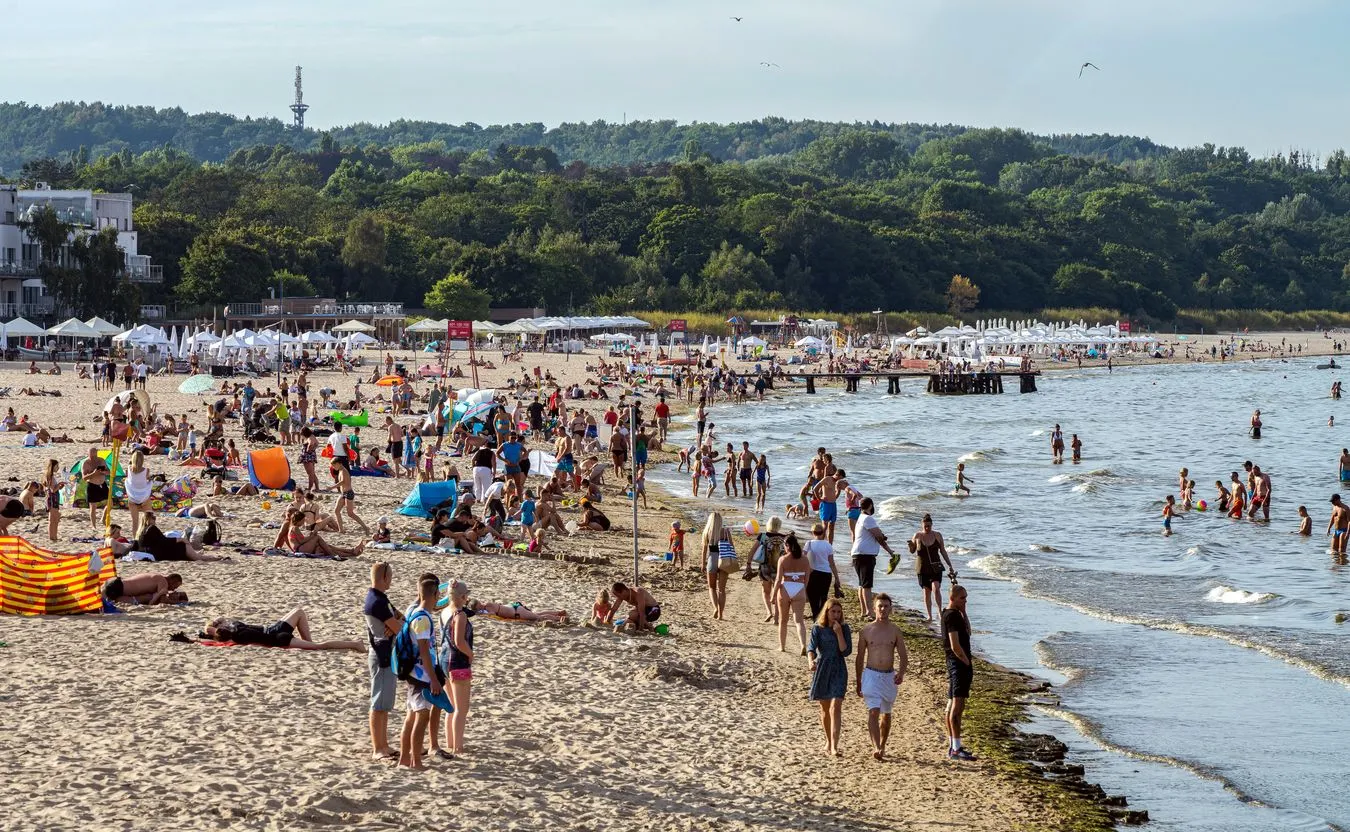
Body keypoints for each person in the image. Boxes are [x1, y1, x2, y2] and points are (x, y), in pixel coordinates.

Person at [854, 594, 908, 761]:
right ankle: (876, 746)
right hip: (871, 674)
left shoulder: (895, 630)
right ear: (874, 608)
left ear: (890, 608)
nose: (883, 609)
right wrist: (858, 681)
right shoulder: (866, 630)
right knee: (873, 711)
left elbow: (903, 656)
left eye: (886, 606)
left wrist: (901, 672)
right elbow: (859, 657)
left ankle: (882, 745)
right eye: (880, 606)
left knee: (886, 713)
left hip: (888, 676)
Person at [400, 576, 446, 769]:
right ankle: (415, 761)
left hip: (413, 672)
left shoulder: (414, 612)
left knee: (411, 715)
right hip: (421, 674)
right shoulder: (423, 619)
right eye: (438, 595)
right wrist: (434, 680)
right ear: (435, 594)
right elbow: (425, 652)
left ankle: (404, 759)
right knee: (422, 716)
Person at [364, 562, 403, 761]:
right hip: (381, 655)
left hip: (387, 653)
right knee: (378, 703)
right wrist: (397, 625)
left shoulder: (381, 598)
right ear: (384, 578)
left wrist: (397, 624)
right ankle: (377, 748)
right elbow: (399, 627)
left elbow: (400, 620)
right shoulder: (376, 601)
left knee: (385, 704)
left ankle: (384, 745)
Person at [808, 598, 852, 757]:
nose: (836, 614)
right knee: (825, 708)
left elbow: (845, 651)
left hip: (839, 668)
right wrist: (810, 661)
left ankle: (834, 745)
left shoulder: (845, 628)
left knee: (836, 706)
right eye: (833, 611)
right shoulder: (817, 628)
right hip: (822, 667)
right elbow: (811, 648)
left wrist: (839, 632)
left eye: (839, 612)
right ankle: (828, 740)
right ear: (827, 612)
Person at [204, 607, 362, 650]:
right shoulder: (235, 631)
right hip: (277, 637)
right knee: (319, 646)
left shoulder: (233, 630)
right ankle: (354, 644)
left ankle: (309, 643)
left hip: (274, 631)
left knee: (299, 611)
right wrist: (213, 626)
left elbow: (212, 629)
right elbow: (210, 629)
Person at [942, 585, 977, 761]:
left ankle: (954, 746)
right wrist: (966, 662)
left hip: (957, 664)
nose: (965, 600)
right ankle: (955, 748)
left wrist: (964, 612)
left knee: (953, 705)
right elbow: (955, 645)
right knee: (957, 706)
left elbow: (968, 632)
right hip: (958, 664)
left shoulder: (956, 615)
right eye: (962, 598)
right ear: (953, 598)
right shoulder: (951, 616)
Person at [441, 581, 475, 756]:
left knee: (452, 707)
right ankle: (458, 747)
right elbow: (459, 641)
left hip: (444, 659)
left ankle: (450, 742)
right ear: (462, 597)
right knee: (461, 708)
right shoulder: (459, 615)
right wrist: (470, 654)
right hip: (457, 662)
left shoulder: (445, 611)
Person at [849, 498, 894, 618]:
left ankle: (864, 611)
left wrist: (882, 536)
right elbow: (879, 537)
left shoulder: (860, 518)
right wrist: (890, 551)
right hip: (865, 555)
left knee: (861, 584)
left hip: (858, 554)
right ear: (870, 506)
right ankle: (870, 611)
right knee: (867, 585)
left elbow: (877, 534)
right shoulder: (868, 518)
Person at [908, 514, 955, 621]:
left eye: (929, 526)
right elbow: (912, 551)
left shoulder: (937, 535)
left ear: (932, 525)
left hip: (935, 567)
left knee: (936, 588)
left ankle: (939, 611)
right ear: (922, 525)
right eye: (925, 526)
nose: (927, 528)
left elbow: (943, 551)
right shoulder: (917, 536)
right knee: (926, 591)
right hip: (922, 567)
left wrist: (950, 565)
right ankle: (929, 615)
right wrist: (910, 546)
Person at [772, 533, 812, 654]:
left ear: (787, 545)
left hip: (785, 588)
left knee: (783, 621)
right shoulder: (805, 559)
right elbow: (807, 577)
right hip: (799, 588)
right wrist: (803, 589)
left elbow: (779, 579)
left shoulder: (783, 559)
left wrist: (773, 595)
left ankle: (782, 646)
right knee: (799, 621)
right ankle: (803, 645)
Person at [746, 516, 787, 623]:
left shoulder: (763, 536)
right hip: (779, 569)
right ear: (779, 525)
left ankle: (769, 612)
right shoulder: (784, 537)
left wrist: (748, 564)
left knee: (766, 591)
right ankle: (777, 617)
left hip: (765, 568)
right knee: (778, 593)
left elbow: (752, 551)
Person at [137, 513, 225, 561]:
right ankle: (213, 558)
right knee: (187, 547)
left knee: (186, 547)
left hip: (155, 552)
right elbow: (164, 541)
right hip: (160, 553)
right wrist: (179, 539)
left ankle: (199, 554)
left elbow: (158, 541)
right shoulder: (152, 528)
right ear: (148, 519)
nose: (155, 519)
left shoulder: (141, 531)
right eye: (153, 517)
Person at [803, 523, 840, 621]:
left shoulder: (809, 543)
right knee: (823, 596)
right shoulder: (828, 545)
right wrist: (837, 577)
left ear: (812, 532)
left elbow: (803, 558)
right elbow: (832, 563)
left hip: (813, 573)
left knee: (813, 597)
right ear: (823, 532)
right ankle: (822, 616)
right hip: (826, 574)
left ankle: (816, 615)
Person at [701, 512, 732, 620]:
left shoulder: (707, 532)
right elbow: (731, 546)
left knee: (712, 587)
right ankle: (721, 614)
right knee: (722, 589)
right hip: (724, 559)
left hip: (712, 559)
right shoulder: (725, 532)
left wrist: (702, 564)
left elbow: (704, 550)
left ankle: (715, 608)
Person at [102, 572, 186, 606]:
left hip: (116, 584)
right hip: (118, 588)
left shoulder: (156, 576)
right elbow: (163, 601)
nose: (173, 589)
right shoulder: (163, 581)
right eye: (175, 586)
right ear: (173, 581)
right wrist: (179, 603)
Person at [124, 450, 153, 540]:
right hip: (144, 497)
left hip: (132, 498)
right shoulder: (146, 470)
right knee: (148, 520)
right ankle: (147, 539)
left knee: (135, 522)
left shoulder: (128, 469)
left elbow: (128, 478)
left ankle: (135, 539)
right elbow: (147, 479)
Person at [80, 447, 111, 529]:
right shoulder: (86, 463)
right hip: (92, 485)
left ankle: (103, 518)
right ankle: (93, 526)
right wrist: (93, 474)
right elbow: (84, 478)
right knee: (93, 507)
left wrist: (103, 472)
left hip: (102, 484)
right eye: (91, 456)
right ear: (88, 454)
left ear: (97, 454)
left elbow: (109, 472)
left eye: (94, 455)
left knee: (110, 503)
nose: (93, 458)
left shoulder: (101, 460)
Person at [42, 458, 61, 542]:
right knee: (54, 519)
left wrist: (59, 486)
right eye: (57, 466)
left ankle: (53, 536)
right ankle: (53, 536)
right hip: (53, 498)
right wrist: (60, 484)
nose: (58, 468)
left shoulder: (47, 475)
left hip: (49, 497)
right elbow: (53, 490)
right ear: (53, 467)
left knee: (52, 519)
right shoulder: (50, 476)